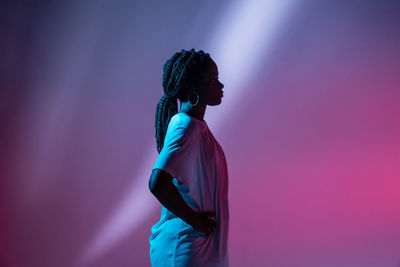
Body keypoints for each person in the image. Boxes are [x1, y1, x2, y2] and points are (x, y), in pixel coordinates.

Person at [148, 48, 229, 266]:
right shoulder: (185, 125)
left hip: (199, 251)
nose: (220, 85)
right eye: (212, 79)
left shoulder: (197, 127)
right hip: (185, 250)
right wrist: (197, 224)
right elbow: (157, 183)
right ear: (193, 88)